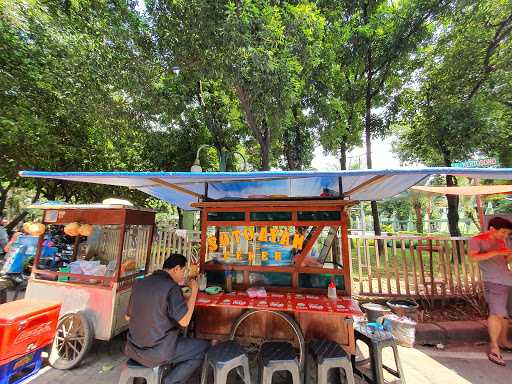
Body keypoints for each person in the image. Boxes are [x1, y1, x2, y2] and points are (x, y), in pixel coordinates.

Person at [125, 253, 209, 384]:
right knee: (202, 347)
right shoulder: (171, 287)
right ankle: (170, 381)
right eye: (183, 271)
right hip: (156, 352)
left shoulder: (140, 283)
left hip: (134, 348)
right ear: (176, 269)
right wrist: (194, 291)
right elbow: (185, 321)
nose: (183, 275)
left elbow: (127, 317)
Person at [469, 217, 512, 366]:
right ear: (492, 229)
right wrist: (496, 252)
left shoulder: (501, 240)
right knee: (497, 313)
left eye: (508, 234)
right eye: (504, 232)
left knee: (504, 315)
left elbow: (503, 261)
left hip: (506, 280)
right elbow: (473, 257)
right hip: (494, 281)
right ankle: (494, 347)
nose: (505, 236)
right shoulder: (477, 239)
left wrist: (508, 255)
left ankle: (504, 341)